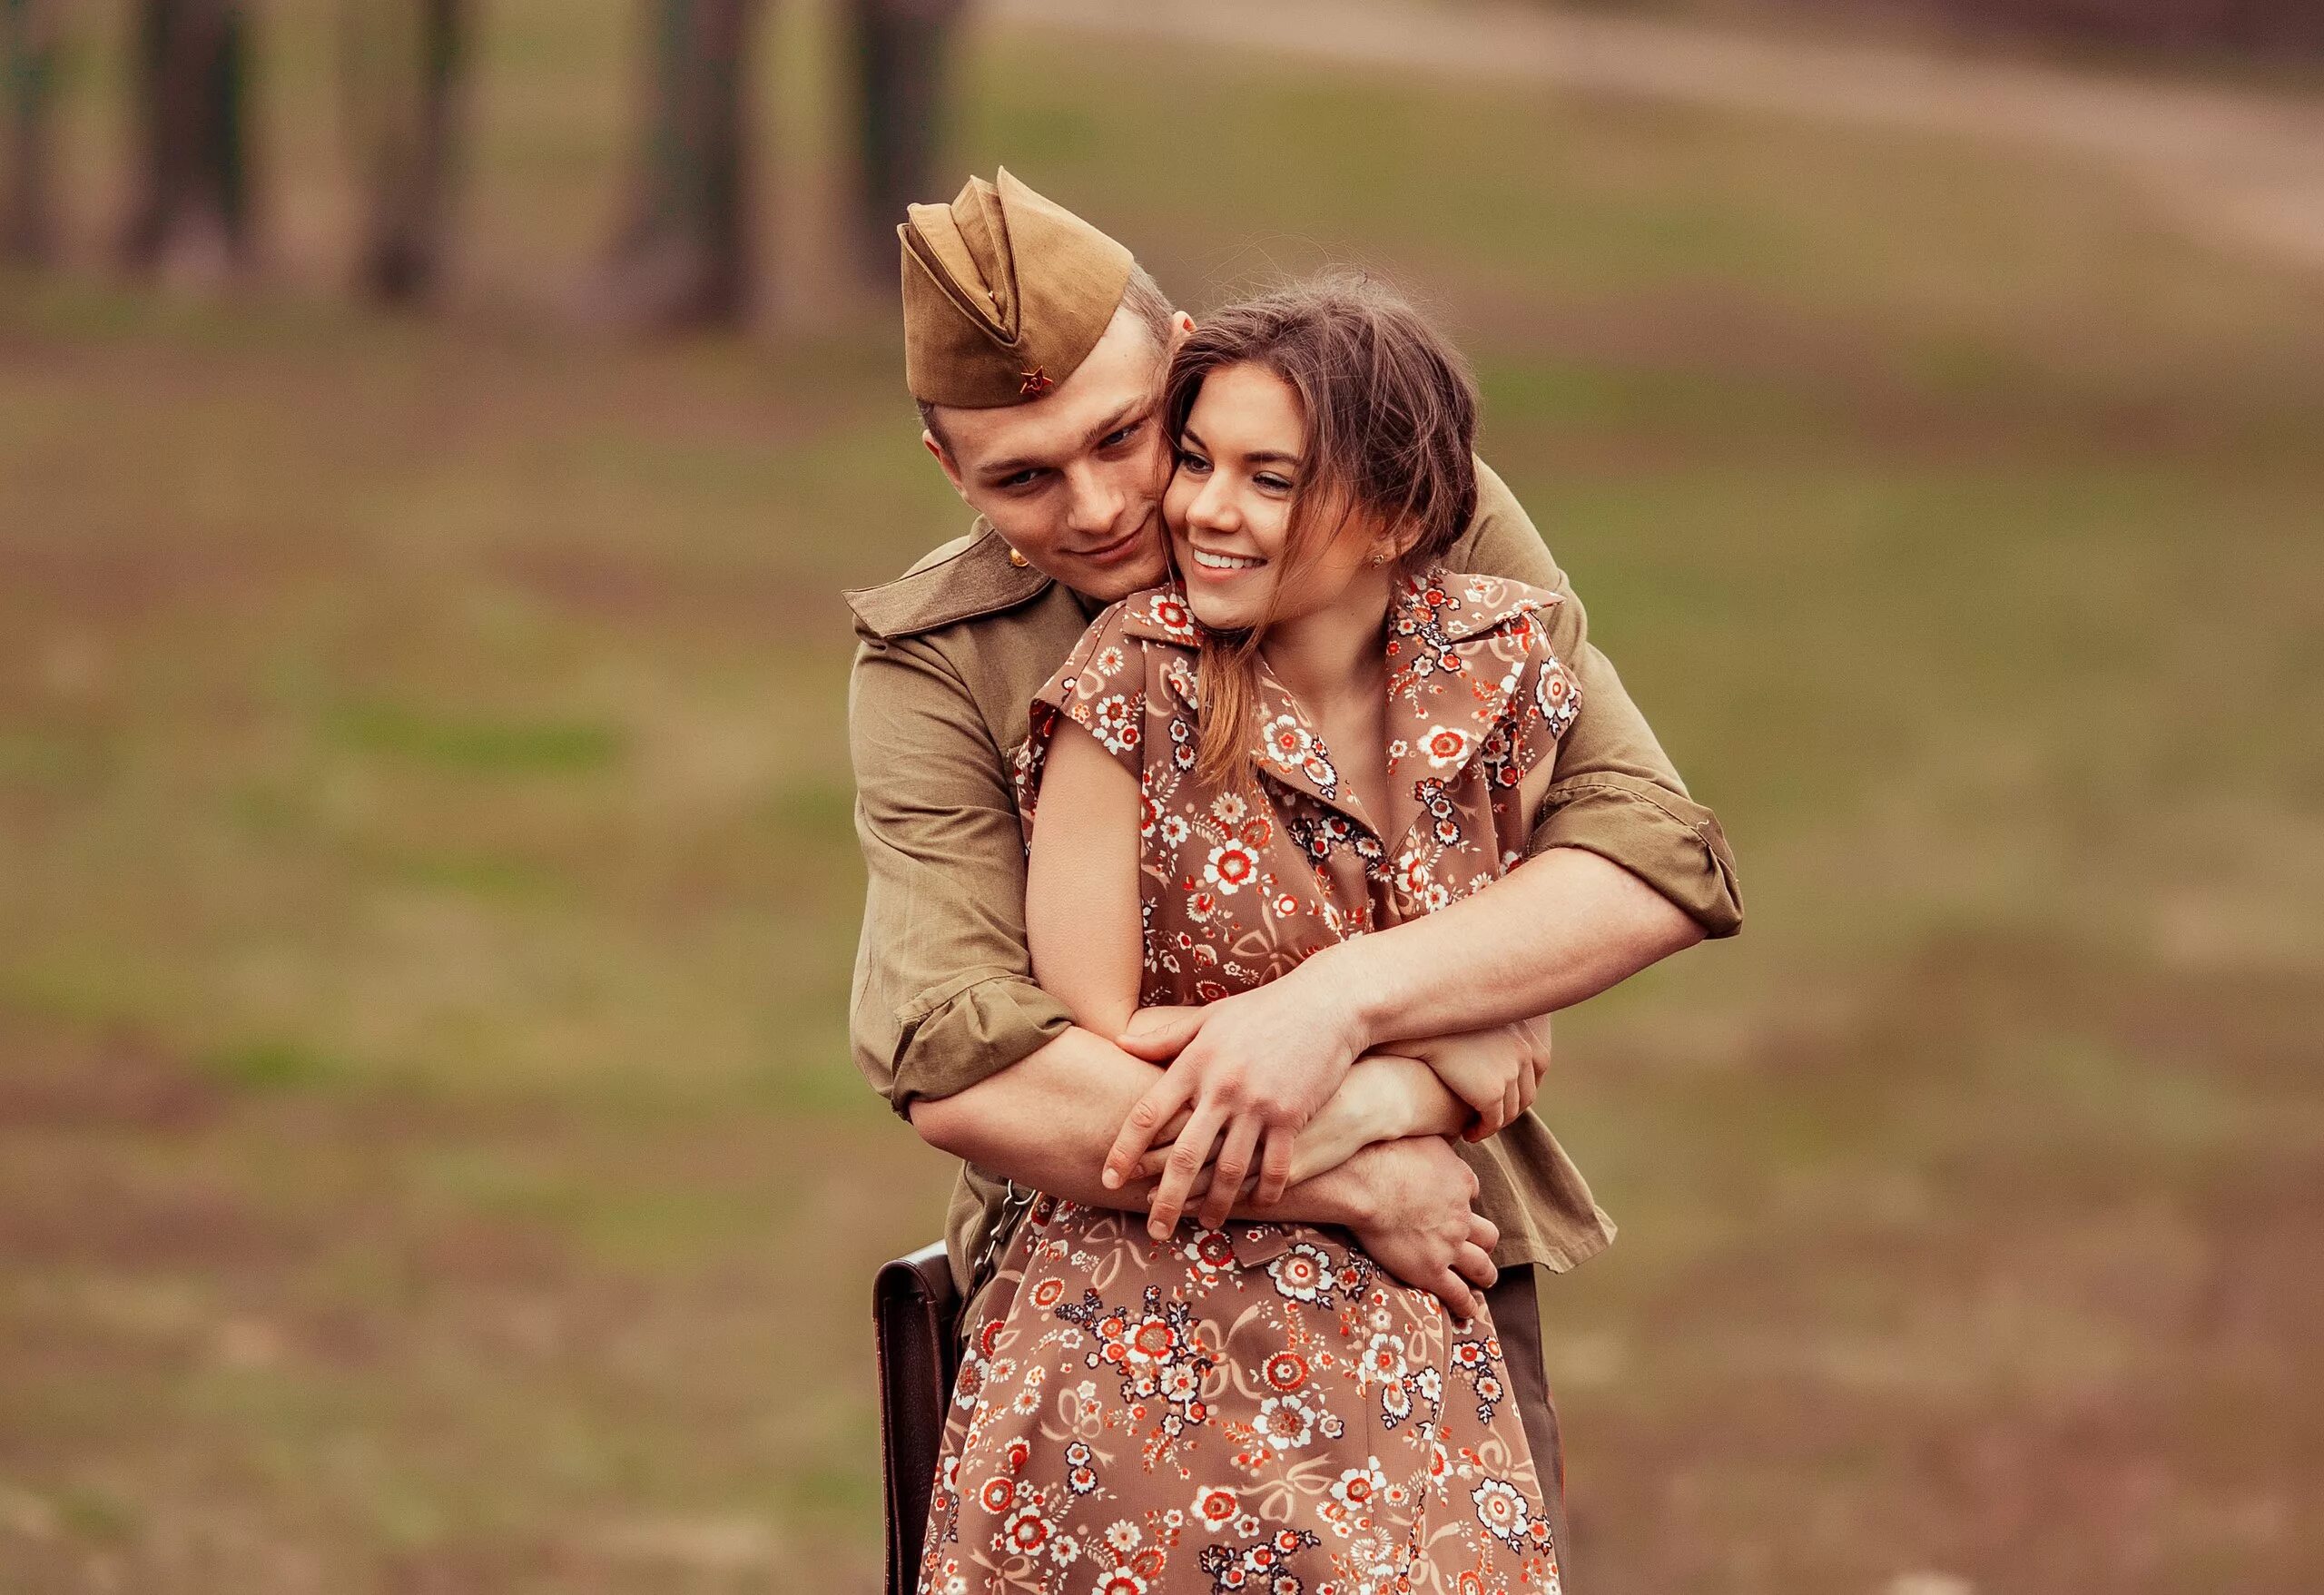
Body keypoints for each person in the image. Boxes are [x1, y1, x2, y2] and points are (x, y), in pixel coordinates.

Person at [847, 171, 1742, 1583]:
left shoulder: (1390, 493)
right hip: (1112, 1311)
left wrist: (1339, 1006)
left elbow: (1643, 849)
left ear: (1188, 359)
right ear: (946, 469)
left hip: (1428, 1275)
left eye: (1128, 435)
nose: (1102, 505)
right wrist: (1354, 1153)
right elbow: (964, 1059)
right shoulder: (935, 661)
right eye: (1022, 474)